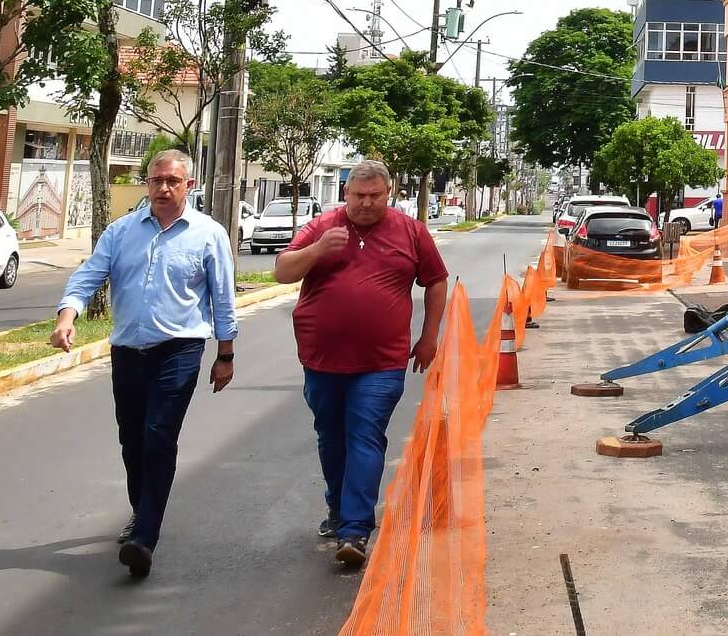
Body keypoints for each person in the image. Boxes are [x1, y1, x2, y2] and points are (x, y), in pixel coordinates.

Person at [51, 149, 237, 579]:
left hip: (180, 348)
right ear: (148, 183)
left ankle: (144, 538)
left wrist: (225, 355)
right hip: (128, 351)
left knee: (158, 434)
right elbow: (89, 275)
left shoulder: (209, 234)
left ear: (189, 185)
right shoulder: (121, 232)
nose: (163, 188)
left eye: (173, 181)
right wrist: (68, 315)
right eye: (157, 181)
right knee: (132, 439)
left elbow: (223, 299)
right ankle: (143, 512)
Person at [274, 158, 447, 569]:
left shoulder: (411, 231)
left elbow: (436, 280)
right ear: (345, 194)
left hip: (381, 362)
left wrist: (428, 336)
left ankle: (354, 529)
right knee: (331, 438)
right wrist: (317, 250)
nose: (366, 204)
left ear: (389, 194)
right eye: (358, 196)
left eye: (375, 196)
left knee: (366, 435)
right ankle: (337, 508)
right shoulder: (323, 226)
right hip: (321, 359)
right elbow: (282, 271)